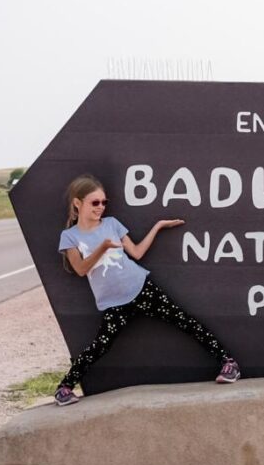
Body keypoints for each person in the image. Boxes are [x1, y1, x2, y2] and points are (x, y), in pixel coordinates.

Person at [53, 173, 240, 406]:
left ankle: (228, 362)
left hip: (141, 287)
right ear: (77, 203)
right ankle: (65, 387)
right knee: (100, 345)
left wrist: (158, 226)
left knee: (183, 320)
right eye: (95, 203)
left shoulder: (112, 224)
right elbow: (81, 269)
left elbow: (137, 253)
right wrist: (102, 248)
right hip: (113, 303)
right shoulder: (70, 236)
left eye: (104, 202)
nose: (100, 207)